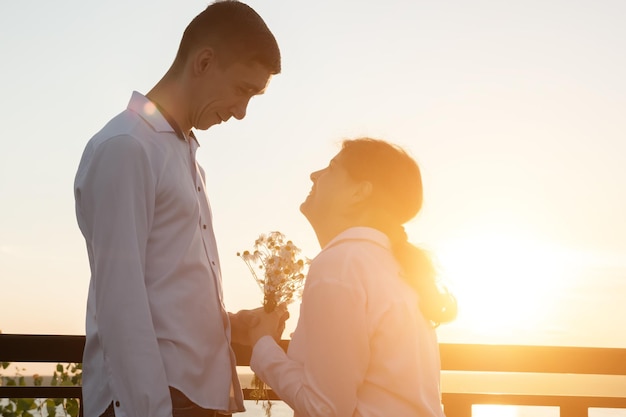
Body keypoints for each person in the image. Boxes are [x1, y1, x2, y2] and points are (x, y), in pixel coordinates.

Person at [73, 2, 281, 417]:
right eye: (243, 89)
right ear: (204, 61)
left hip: (191, 397)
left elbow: (164, 287)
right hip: (160, 400)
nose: (242, 113)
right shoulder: (127, 147)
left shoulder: (179, 150)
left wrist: (227, 324)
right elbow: (120, 300)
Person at [247, 138, 458, 416]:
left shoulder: (341, 264)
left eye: (332, 168)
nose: (315, 175)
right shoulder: (389, 264)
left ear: (360, 193)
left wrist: (261, 344)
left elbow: (325, 409)